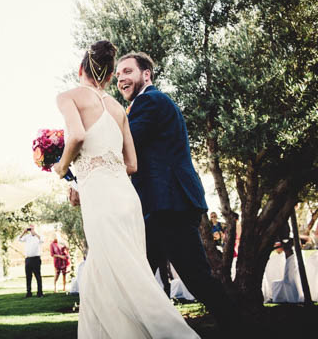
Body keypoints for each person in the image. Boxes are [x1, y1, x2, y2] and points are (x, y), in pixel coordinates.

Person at [54, 41, 199, 337]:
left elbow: (78, 135)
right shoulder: (118, 109)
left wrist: (62, 166)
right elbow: (131, 164)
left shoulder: (68, 97)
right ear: (108, 77)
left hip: (102, 200)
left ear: (81, 68)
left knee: (129, 275)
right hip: (126, 198)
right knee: (102, 270)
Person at [116, 51, 240, 333]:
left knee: (196, 278)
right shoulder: (145, 103)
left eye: (127, 71)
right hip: (157, 207)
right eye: (118, 74)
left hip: (169, 205)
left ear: (146, 74)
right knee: (138, 278)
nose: (121, 78)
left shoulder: (149, 101)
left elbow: (126, 145)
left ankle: (236, 329)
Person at [19, 224, 44, 298]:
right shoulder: (27, 237)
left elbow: (42, 240)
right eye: (30, 228)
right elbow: (19, 239)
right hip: (28, 259)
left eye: (32, 228)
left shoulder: (38, 236)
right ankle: (28, 292)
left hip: (36, 258)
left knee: (38, 276)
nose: (31, 229)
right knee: (28, 276)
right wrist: (24, 232)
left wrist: (35, 233)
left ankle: (40, 292)